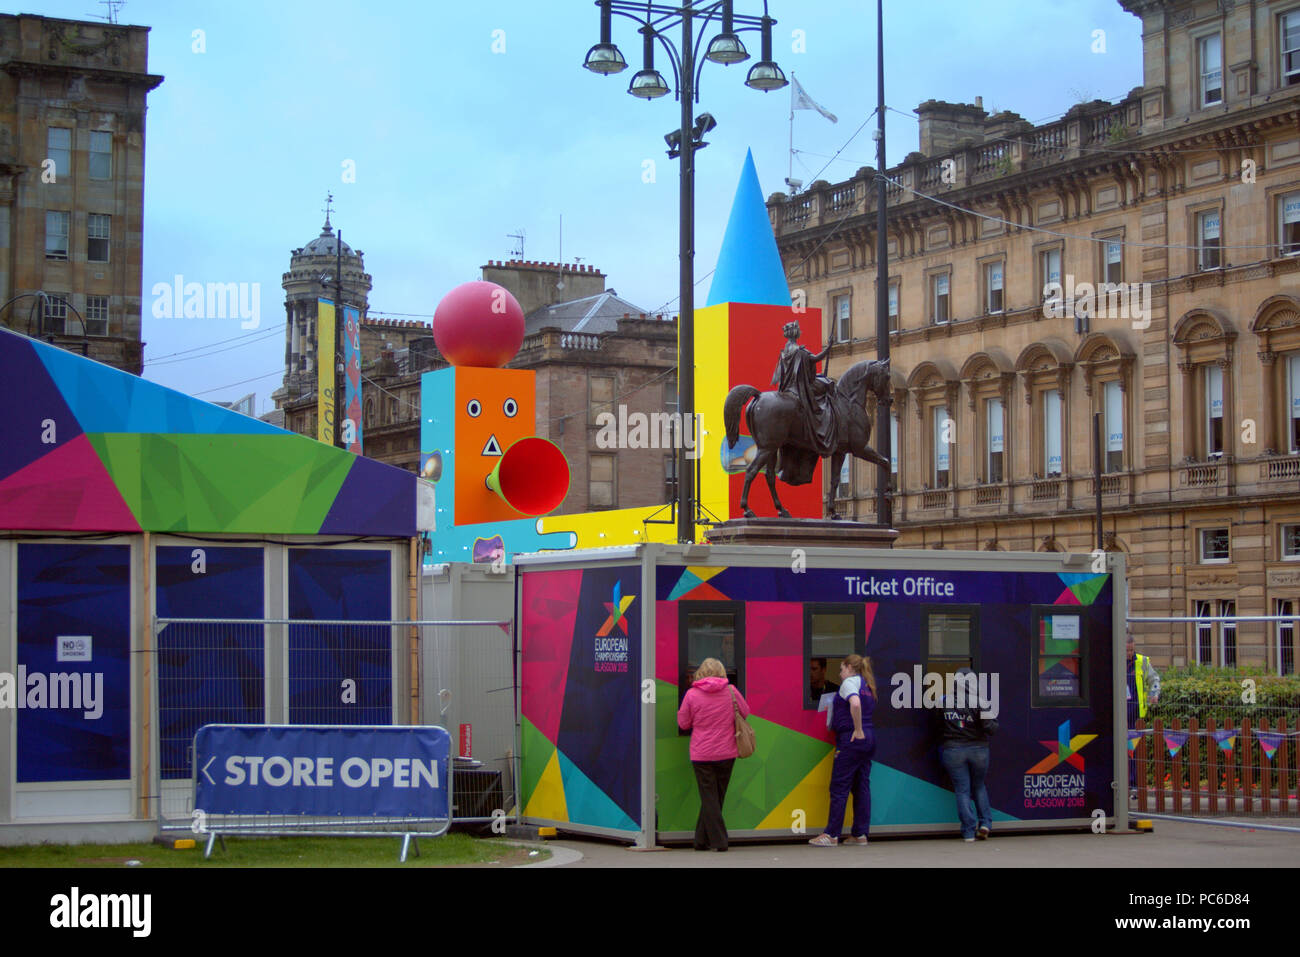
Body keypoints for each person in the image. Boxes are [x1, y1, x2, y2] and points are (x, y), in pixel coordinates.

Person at [677, 657, 751, 852]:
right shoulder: (731, 691)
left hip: (701, 754)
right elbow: (745, 712)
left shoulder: (692, 695)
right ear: (721, 672)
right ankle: (701, 841)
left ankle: (716, 841)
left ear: (700, 672)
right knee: (716, 797)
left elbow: (683, 723)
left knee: (710, 798)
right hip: (727, 752)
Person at [809, 654, 876, 847]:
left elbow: (854, 703)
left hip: (851, 739)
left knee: (839, 786)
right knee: (861, 787)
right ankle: (860, 834)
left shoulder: (849, 683)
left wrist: (857, 728)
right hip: (869, 739)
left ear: (848, 667)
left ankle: (831, 834)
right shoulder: (866, 684)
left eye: (841, 669)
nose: (839, 674)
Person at [937, 667, 996, 843]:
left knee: (962, 790)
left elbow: (937, 724)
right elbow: (990, 728)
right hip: (979, 750)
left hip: (953, 750)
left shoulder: (943, 700)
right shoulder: (980, 701)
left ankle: (969, 832)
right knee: (979, 786)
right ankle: (985, 823)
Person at [772, 321, 837, 459]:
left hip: (788, 386)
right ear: (796, 334)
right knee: (828, 386)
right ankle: (822, 421)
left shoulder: (786, 350)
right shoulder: (800, 351)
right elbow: (816, 358)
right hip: (800, 387)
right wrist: (828, 347)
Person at [1126, 632, 1161, 801]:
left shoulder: (1142, 662)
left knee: (1134, 753)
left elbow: (1154, 679)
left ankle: (1134, 786)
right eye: (1126, 651)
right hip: (1117, 714)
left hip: (1136, 716)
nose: (1129, 654)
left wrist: (1154, 693)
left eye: (1131, 650)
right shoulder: (1112, 660)